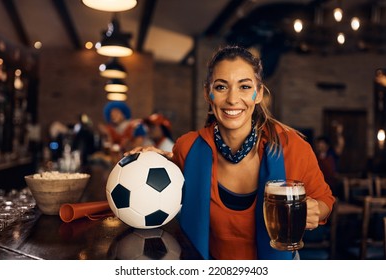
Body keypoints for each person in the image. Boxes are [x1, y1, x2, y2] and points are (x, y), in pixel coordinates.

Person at [126, 45, 335, 260]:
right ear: (208, 93)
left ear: (258, 93)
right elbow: (160, 193)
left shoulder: (293, 147)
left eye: (244, 87)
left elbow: (325, 201)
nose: (233, 99)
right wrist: (149, 163)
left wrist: (315, 210)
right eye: (221, 87)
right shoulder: (187, 148)